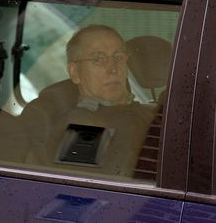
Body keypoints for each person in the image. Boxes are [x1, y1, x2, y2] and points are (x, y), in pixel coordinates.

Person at [19, 25, 154, 177]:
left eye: (118, 57)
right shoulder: (83, 127)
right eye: (98, 59)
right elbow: (85, 194)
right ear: (75, 72)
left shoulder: (149, 111)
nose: (113, 68)